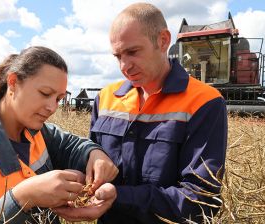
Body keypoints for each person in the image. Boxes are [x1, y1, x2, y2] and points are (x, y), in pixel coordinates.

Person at [57, 3, 228, 223]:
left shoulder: (204, 102)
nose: (124, 66)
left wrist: (118, 196)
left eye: (132, 52)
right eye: (118, 56)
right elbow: (92, 167)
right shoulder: (106, 98)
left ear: (163, 41)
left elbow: (200, 200)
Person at [0, 46, 118, 223]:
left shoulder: (37, 131)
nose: (52, 107)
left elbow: (72, 145)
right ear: (13, 83)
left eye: (59, 99)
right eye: (45, 93)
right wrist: (24, 197)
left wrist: (95, 155)